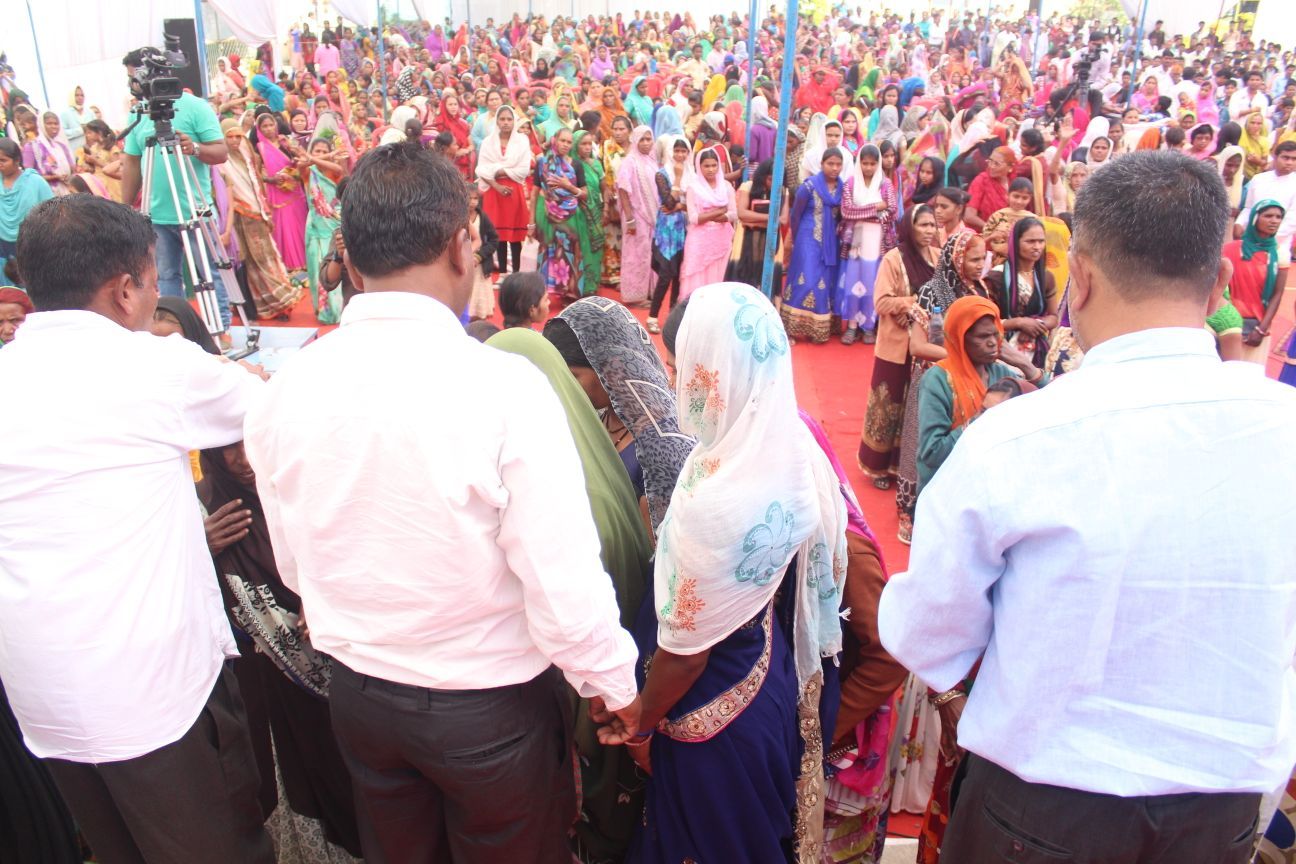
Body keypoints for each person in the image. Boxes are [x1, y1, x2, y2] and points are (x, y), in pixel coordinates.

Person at [879, 151, 1296, 863]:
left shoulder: (1017, 437)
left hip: (1043, 807)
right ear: (1217, 280)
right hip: (1222, 809)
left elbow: (928, 635)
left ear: (1083, 276)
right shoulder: (1283, 426)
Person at [243, 144, 642, 864]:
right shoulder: (504, 388)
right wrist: (611, 683)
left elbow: (295, 564)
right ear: (463, 247)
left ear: (351, 265)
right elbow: (562, 581)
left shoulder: (285, 390)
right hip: (486, 712)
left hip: (363, 702)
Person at [0, 194, 272, 863]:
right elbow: (268, 408)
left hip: (43, 694)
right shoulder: (155, 366)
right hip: (154, 696)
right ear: (125, 290)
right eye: (152, 284)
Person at [629, 282, 846, 864]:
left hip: (711, 724)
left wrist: (640, 725)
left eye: (682, 368)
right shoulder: (789, 447)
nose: (676, 382)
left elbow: (686, 653)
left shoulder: (717, 497)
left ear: (715, 375)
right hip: (766, 687)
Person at [485, 326, 654, 864]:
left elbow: (572, 612)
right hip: (612, 683)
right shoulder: (590, 459)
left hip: (593, 701)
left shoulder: (572, 495)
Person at [120, 50, 232, 332]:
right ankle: (174, 332)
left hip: (195, 211)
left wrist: (194, 147)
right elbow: (131, 162)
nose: (134, 84)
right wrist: (124, 207)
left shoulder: (196, 107)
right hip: (156, 217)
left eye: (136, 76)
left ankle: (220, 329)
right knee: (167, 277)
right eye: (131, 78)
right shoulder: (139, 112)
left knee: (209, 273)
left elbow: (221, 152)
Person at [894, 230, 987, 544]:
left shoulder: (980, 290)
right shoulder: (932, 292)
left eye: (983, 259)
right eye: (973, 259)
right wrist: (959, 356)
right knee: (925, 448)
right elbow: (918, 346)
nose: (980, 265)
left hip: (970, 381)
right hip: (936, 380)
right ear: (957, 259)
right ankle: (912, 514)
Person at [915, 294, 1044, 496]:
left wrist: (1024, 364)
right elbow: (932, 453)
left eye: (995, 335)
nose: (992, 342)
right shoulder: (938, 380)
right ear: (960, 339)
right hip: (949, 492)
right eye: (983, 337)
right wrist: (982, 416)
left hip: (991, 487)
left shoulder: (1000, 373)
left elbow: (1045, 404)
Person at [859, 205, 939, 488]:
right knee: (887, 405)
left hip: (926, 345)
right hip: (896, 345)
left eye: (932, 225)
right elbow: (881, 302)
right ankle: (877, 467)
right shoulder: (894, 259)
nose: (929, 231)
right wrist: (914, 304)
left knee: (915, 406)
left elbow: (943, 297)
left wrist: (924, 312)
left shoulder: (938, 257)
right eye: (923, 225)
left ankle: (905, 466)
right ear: (909, 227)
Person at [216, 119, 303, 322]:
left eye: (238, 136)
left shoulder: (248, 154)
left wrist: (264, 209)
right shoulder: (219, 162)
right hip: (237, 217)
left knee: (265, 259)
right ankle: (258, 306)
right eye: (230, 137)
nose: (235, 141)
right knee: (247, 263)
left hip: (257, 214)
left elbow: (257, 183)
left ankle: (280, 303)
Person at [782, 147, 844, 344]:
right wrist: (796, 239)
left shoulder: (843, 189)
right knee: (806, 280)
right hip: (807, 238)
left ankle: (818, 329)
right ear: (822, 164)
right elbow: (795, 215)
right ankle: (791, 328)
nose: (834, 168)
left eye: (838, 164)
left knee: (825, 281)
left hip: (831, 242)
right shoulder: (809, 186)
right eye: (830, 164)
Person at [839, 144, 896, 345]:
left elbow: (892, 211)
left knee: (872, 282)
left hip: (878, 241)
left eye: (873, 164)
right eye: (865, 163)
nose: (869, 168)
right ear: (859, 163)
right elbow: (846, 211)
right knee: (853, 281)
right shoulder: (851, 183)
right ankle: (852, 326)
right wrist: (877, 208)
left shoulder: (885, 184)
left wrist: (863, 210)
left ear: (878, 164)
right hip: (856, 241)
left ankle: (869, 327)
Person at [985, 216, 1059, 367]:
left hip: (1037, 350)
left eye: (1041, 241)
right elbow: (987, 321)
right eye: (1030, 241)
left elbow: (1053, 317)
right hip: (1003, 351)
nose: (1037, 247)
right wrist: (1019, 323)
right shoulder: (996, 277)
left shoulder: (1046, 277)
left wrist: (1035, 325)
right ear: (1015, 243)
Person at [1222, 201, 1287, 363]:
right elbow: (1220, 286)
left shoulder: (1280, 254)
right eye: (1268, 216)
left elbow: (1277, 295)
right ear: (1255, 218)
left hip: (1256, 325)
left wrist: (1261, 329)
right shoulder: (1230, 249)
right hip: (1226, 322)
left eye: (1278, 217)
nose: (1274, 221)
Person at [476, 105, 531, 276]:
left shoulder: (522, 141)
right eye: (502, 119)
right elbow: (481, 169)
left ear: (514, 121)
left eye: (509, 119)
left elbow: (523, 169)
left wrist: (497, 170)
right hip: (494, 191)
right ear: (497, 121)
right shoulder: (487, 142)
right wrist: (497, 185)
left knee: (515, 236)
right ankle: (501, 273)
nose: (506, 122)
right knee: (498, 234)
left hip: (513, 191)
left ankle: (515, 274)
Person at [535, 127, 585, 303]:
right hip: (547, 215)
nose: (565, 145)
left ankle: (570, 293)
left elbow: (584, 194)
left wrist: (568, 186)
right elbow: (535, 192)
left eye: (569, 142)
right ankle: (544, 292)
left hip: (571, 217)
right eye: (562, 140)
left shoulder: (576, 165)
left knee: (570, 253)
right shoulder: (543, 163)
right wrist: (531, 222)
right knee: (548, 252)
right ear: (555, 140)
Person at [679, 149, 737, 302]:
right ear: (699, 166)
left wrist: (712, 216)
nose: (711, 169)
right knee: (697, 280)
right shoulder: (693, 188)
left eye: (714, 165)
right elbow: (694, 218)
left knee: (720, 278)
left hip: (722, 240)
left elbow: (733, 214)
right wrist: (720, 212)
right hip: (699, 241)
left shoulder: (726, 186)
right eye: (706, 166)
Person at [648, 136, 691, 334]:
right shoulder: (662, 174)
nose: (680, 155)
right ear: (670, 152)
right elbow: (669, 203)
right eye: (676, 150)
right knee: (666, 273)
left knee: (679, 276)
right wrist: (678, 179)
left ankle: (672, 319)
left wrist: (681, 206)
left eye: (684, 151)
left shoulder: (693, 175)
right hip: (667, 232)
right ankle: (652, 316)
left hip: (686, 230)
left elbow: (695, 204)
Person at [617, 125, 659, 306]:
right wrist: (630, 218)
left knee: (648, 254)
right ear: (635, 140)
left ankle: (648, 292)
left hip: (652, 218)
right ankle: (634, 296)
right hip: (636, 216)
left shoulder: (652, 160)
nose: (646, 143)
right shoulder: (630, 161)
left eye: (649, 139)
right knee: (635, 255)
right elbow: (623, 189)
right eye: (642, 139)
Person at [0, 139, 53, 276]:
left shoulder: (35, 182)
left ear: (17, 160)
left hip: (33, 245)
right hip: (3, 247)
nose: (0, 164)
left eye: (3, 160)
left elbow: (53, 212)